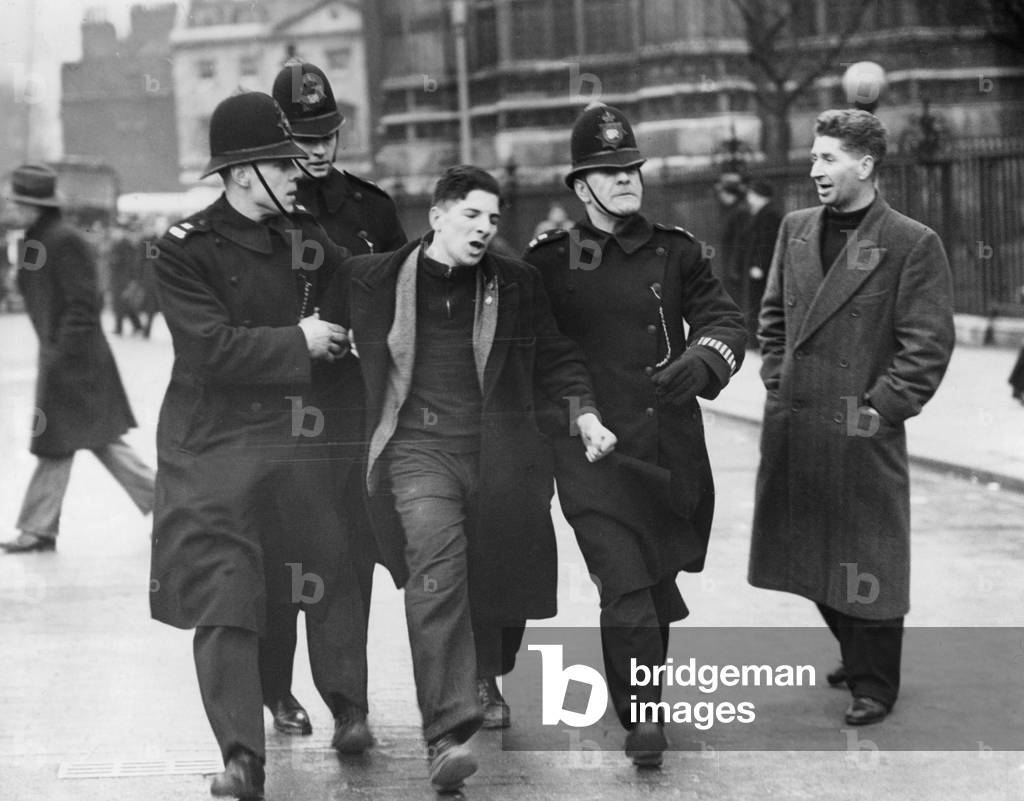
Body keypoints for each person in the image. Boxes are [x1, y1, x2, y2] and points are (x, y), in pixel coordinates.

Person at [341, 165, 617, 792]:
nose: (484, 229)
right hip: (417, 456)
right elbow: (324, 321)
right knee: (436, 576)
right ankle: (445, 734)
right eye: (472, 215)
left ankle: (488, 672)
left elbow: (557, 357)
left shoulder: (515, 284)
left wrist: (587, 416)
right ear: (437, 215)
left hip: (498, 455)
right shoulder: (373, 278)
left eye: (493, 220)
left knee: (499, 574)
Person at [149, 91, 359, 799]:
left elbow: (357, 284)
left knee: (328, 564)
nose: (299, 171)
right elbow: (208, 350)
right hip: (210, 449)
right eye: (281, 161)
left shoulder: (302, 236)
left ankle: (350, 710)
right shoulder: (184, 251)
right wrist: (300, 340)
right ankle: (243, 759)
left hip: (292, 445)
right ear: (242, 173)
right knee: (226, 596)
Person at [524, 104, 747, 766]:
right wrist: (582, 414)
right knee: (623, 583)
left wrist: (699, 361)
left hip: (666, 451)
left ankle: (645, 702)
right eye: (609, 172)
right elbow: (547, 357)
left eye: (632, 169)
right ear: (581, 187)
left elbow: (727, 320)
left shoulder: (676, 251)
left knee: (650, 586)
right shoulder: (552, 263)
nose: (626, 180)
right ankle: (643, 718)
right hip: (592, 454)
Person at [749, 109, 955, 727]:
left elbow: (927, 346)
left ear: (865, 166)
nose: (815, 169)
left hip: (860, 428)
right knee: (809, 551)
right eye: (814, 157)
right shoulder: (795, 229)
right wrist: (778, 380)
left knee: (869, 556)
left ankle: (875, 683)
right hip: (799, 420)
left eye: (828, 158)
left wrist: (879, 410)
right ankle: (853, 649)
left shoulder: (910, 242)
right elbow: (773, 321)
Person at [263, 58, 406, 745]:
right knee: (284, 559)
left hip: (354, 409)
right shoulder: (262, 212)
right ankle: (276, 687)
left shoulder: (372, 209)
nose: (317, 151)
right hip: (282, 410)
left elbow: (408, 297)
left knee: (351, 550)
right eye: (302, 137)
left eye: (327, 135)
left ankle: (350, 702)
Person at [2, 164, 155, 554]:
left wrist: (60, 354)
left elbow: (84, 304)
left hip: (78, 363)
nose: (8, 206)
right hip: (63, 358)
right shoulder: (37, 240)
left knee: (100, 443)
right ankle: (38, 527)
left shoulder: (63, 240)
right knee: (61, 442)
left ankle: (178, 508)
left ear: (33, 204)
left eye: (14, 201)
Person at [739, 179, 783, 343]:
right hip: (757, 267)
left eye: (751, 194)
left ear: (759, 196)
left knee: (759, 302)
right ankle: (755, 338)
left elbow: (766, 242)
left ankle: (760, 338)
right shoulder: (760, 213)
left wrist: (759, 265)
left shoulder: (769, 214)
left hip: (762, 269)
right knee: (755, 302)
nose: (749, 198)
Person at [713, 172, 751, 307]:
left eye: (722, 192)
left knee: (737, 303)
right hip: (730, 266)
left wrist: (733, 269)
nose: (720, 196)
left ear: (729, 193)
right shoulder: (731, 210)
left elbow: (738, 242)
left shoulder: (740, 212)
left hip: (736, 269)